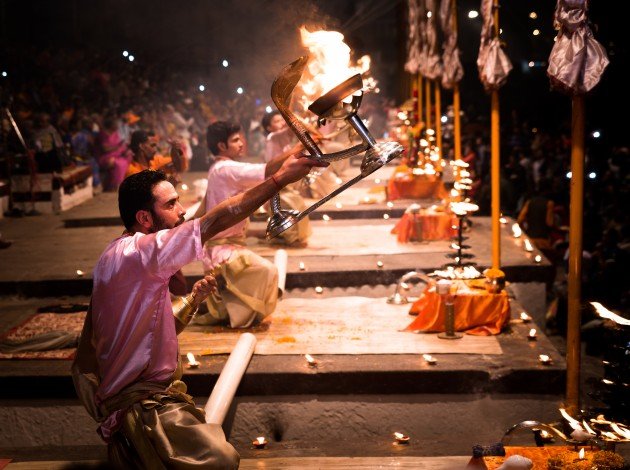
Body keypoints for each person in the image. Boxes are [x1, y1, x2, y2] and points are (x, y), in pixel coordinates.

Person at [72, 154, 325, 468]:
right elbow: (214, 221)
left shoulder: (117, 254)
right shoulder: (140, 254)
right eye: (171, 204)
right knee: (221, 460)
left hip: (143, 398)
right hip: (144, 409)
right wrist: (279, 180)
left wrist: (193, 300)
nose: (181, 211)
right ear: (145, 218)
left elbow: (147, 333)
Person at [192, 121, 315, 329]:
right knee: (267, 271)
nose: (242, 143)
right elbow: (266, 170)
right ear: (222, 146)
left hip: (225, 245)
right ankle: (233, 314)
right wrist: (298, 148)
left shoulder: (217, 168)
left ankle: (229, 306)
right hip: (222, 251)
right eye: (235, 140)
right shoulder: (225, 169)